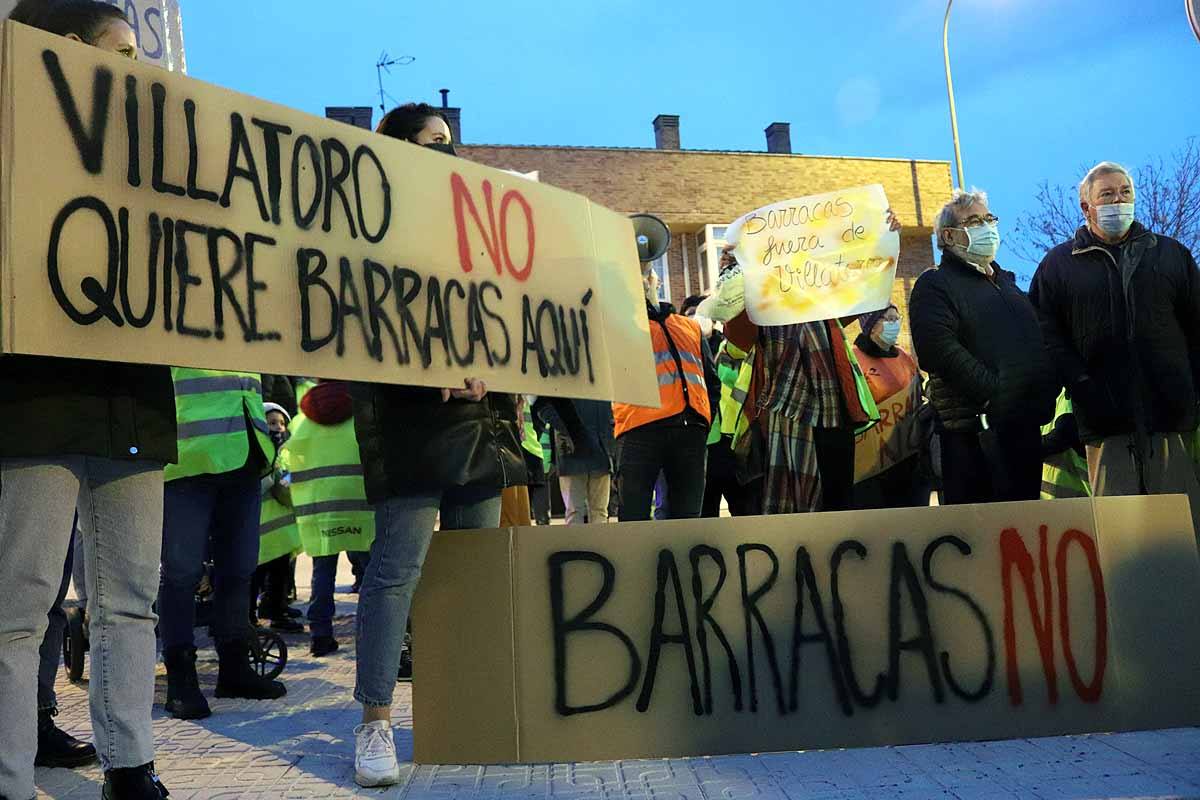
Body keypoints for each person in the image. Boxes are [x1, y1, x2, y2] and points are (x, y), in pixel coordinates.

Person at [0, 3, 171, 798]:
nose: (141, 66)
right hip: (34, 400)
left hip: (131, 400)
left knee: (130, 598)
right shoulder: (11, 146)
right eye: (125, 50)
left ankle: (130, 766)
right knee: (21, 602)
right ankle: (6, 774)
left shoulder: (151, 157)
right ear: (70, 51)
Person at [349, 102, 528, 788]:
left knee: (472, 577)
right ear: (394, 149)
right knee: (395, 576)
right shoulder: (372, 232)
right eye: (432, 144)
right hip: (409, 424)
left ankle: (466, 718)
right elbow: (357, 328)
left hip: (477, 428)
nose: (446, 154)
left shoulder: (476, 234)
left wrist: (502, 371)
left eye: (451, 144)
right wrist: (427, 380)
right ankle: (374, 722)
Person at [1029, 161, 1200, 536]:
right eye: (1106, 194)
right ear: (1086, 207)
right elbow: (1046, 335)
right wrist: (1082, 383)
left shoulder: (1171, 255)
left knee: (1180, 532)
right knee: (1119, 534)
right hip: (1104, 423)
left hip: (1170, 418)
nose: (1118, 200)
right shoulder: (1058, 266)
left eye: (1125, 192)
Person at [910, 189, 1057, 504]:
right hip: (974, 436)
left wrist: (1045, 391)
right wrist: (993, 394)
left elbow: (1038, 339)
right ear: (949, 236)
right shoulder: (936, 284)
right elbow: (937, 348)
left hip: (1024, 428)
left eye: (989, 218)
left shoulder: (1008, 285)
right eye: (974, 221)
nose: (987, 227)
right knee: (985, 537)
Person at [158, 369, 286, 721]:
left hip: (245, 449)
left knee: (240, 567)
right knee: (182, 572)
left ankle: (234, 666)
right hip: (189, 454)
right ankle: (181, 679)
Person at [612, 254, 715, 521]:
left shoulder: (689, 327)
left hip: (689, 430)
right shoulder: (618, 327)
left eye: (648, 275)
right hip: (638, 430)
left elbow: (710, 380)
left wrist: (704, 420)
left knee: (688, 518)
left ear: (655, 282)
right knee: (633, 518)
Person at [288, 381, 375, 658]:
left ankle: (320, 635)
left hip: (320, 508)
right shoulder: (363, 411)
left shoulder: (303, 420)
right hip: (359, 505)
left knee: (322, 573)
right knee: (371, 574)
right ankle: (373, 634)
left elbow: (287, 459)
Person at [851, 305, 933, 509]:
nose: (894, 323)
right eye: (887, 319)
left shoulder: (903, 357)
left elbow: (918, 388)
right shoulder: (855, 360)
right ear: (870, 326)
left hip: (911, 457)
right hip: (875, 466)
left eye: (897, 318)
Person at [253, 402, 304, 632]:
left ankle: (277, 608)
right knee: (257, 576)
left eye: (282, 423)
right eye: (272, 423)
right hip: (262, 529)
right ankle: (252, 614)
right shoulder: (259, 450)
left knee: (280, 575)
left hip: (281, 533)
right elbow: (261, 483)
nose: (278, 428)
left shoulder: (284, 451)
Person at [542, 399, 615, 524]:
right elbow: (544, 409)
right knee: (590, 512)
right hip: (579, 451)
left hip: (592, 451)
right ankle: (586, 542)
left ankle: (594, 542)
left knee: (586, 512)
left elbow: (544, 409)